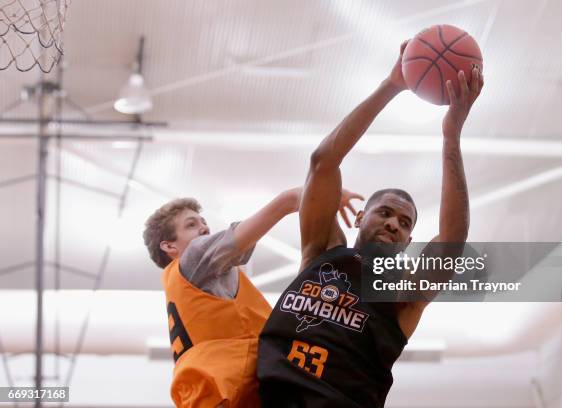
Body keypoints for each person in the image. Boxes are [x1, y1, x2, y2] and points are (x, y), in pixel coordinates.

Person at [257, 41, 484, 407]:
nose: (395, 224)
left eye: (405, 223)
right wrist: (391, 85)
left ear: (409, 241)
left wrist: (451, 135)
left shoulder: (402, 295)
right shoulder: (322, 250)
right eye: (385, 213)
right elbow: (322, 163)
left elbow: (454, 238)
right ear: (360, 216)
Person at [143, 187, 363, 408]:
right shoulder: (193, 257)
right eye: (191, 224)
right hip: (233, 385)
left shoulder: (186, 286)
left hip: (220, 392)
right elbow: (293, 195)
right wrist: (312, 193)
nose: (204, 227)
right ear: (169, 245)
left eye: (203, 221)